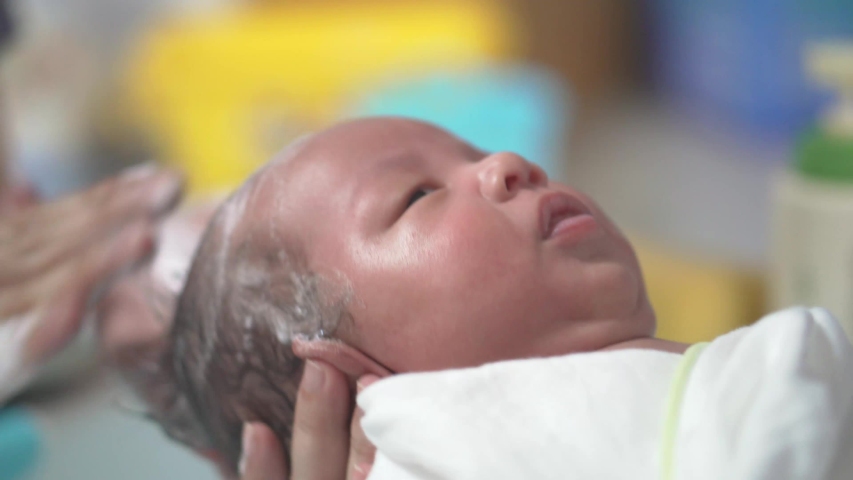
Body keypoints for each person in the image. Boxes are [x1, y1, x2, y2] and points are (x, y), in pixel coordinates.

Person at [124, 116, 853, 479]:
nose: (507, 164)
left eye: (474, 152)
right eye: (416, 195)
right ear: (340, 374)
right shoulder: (439, 436)